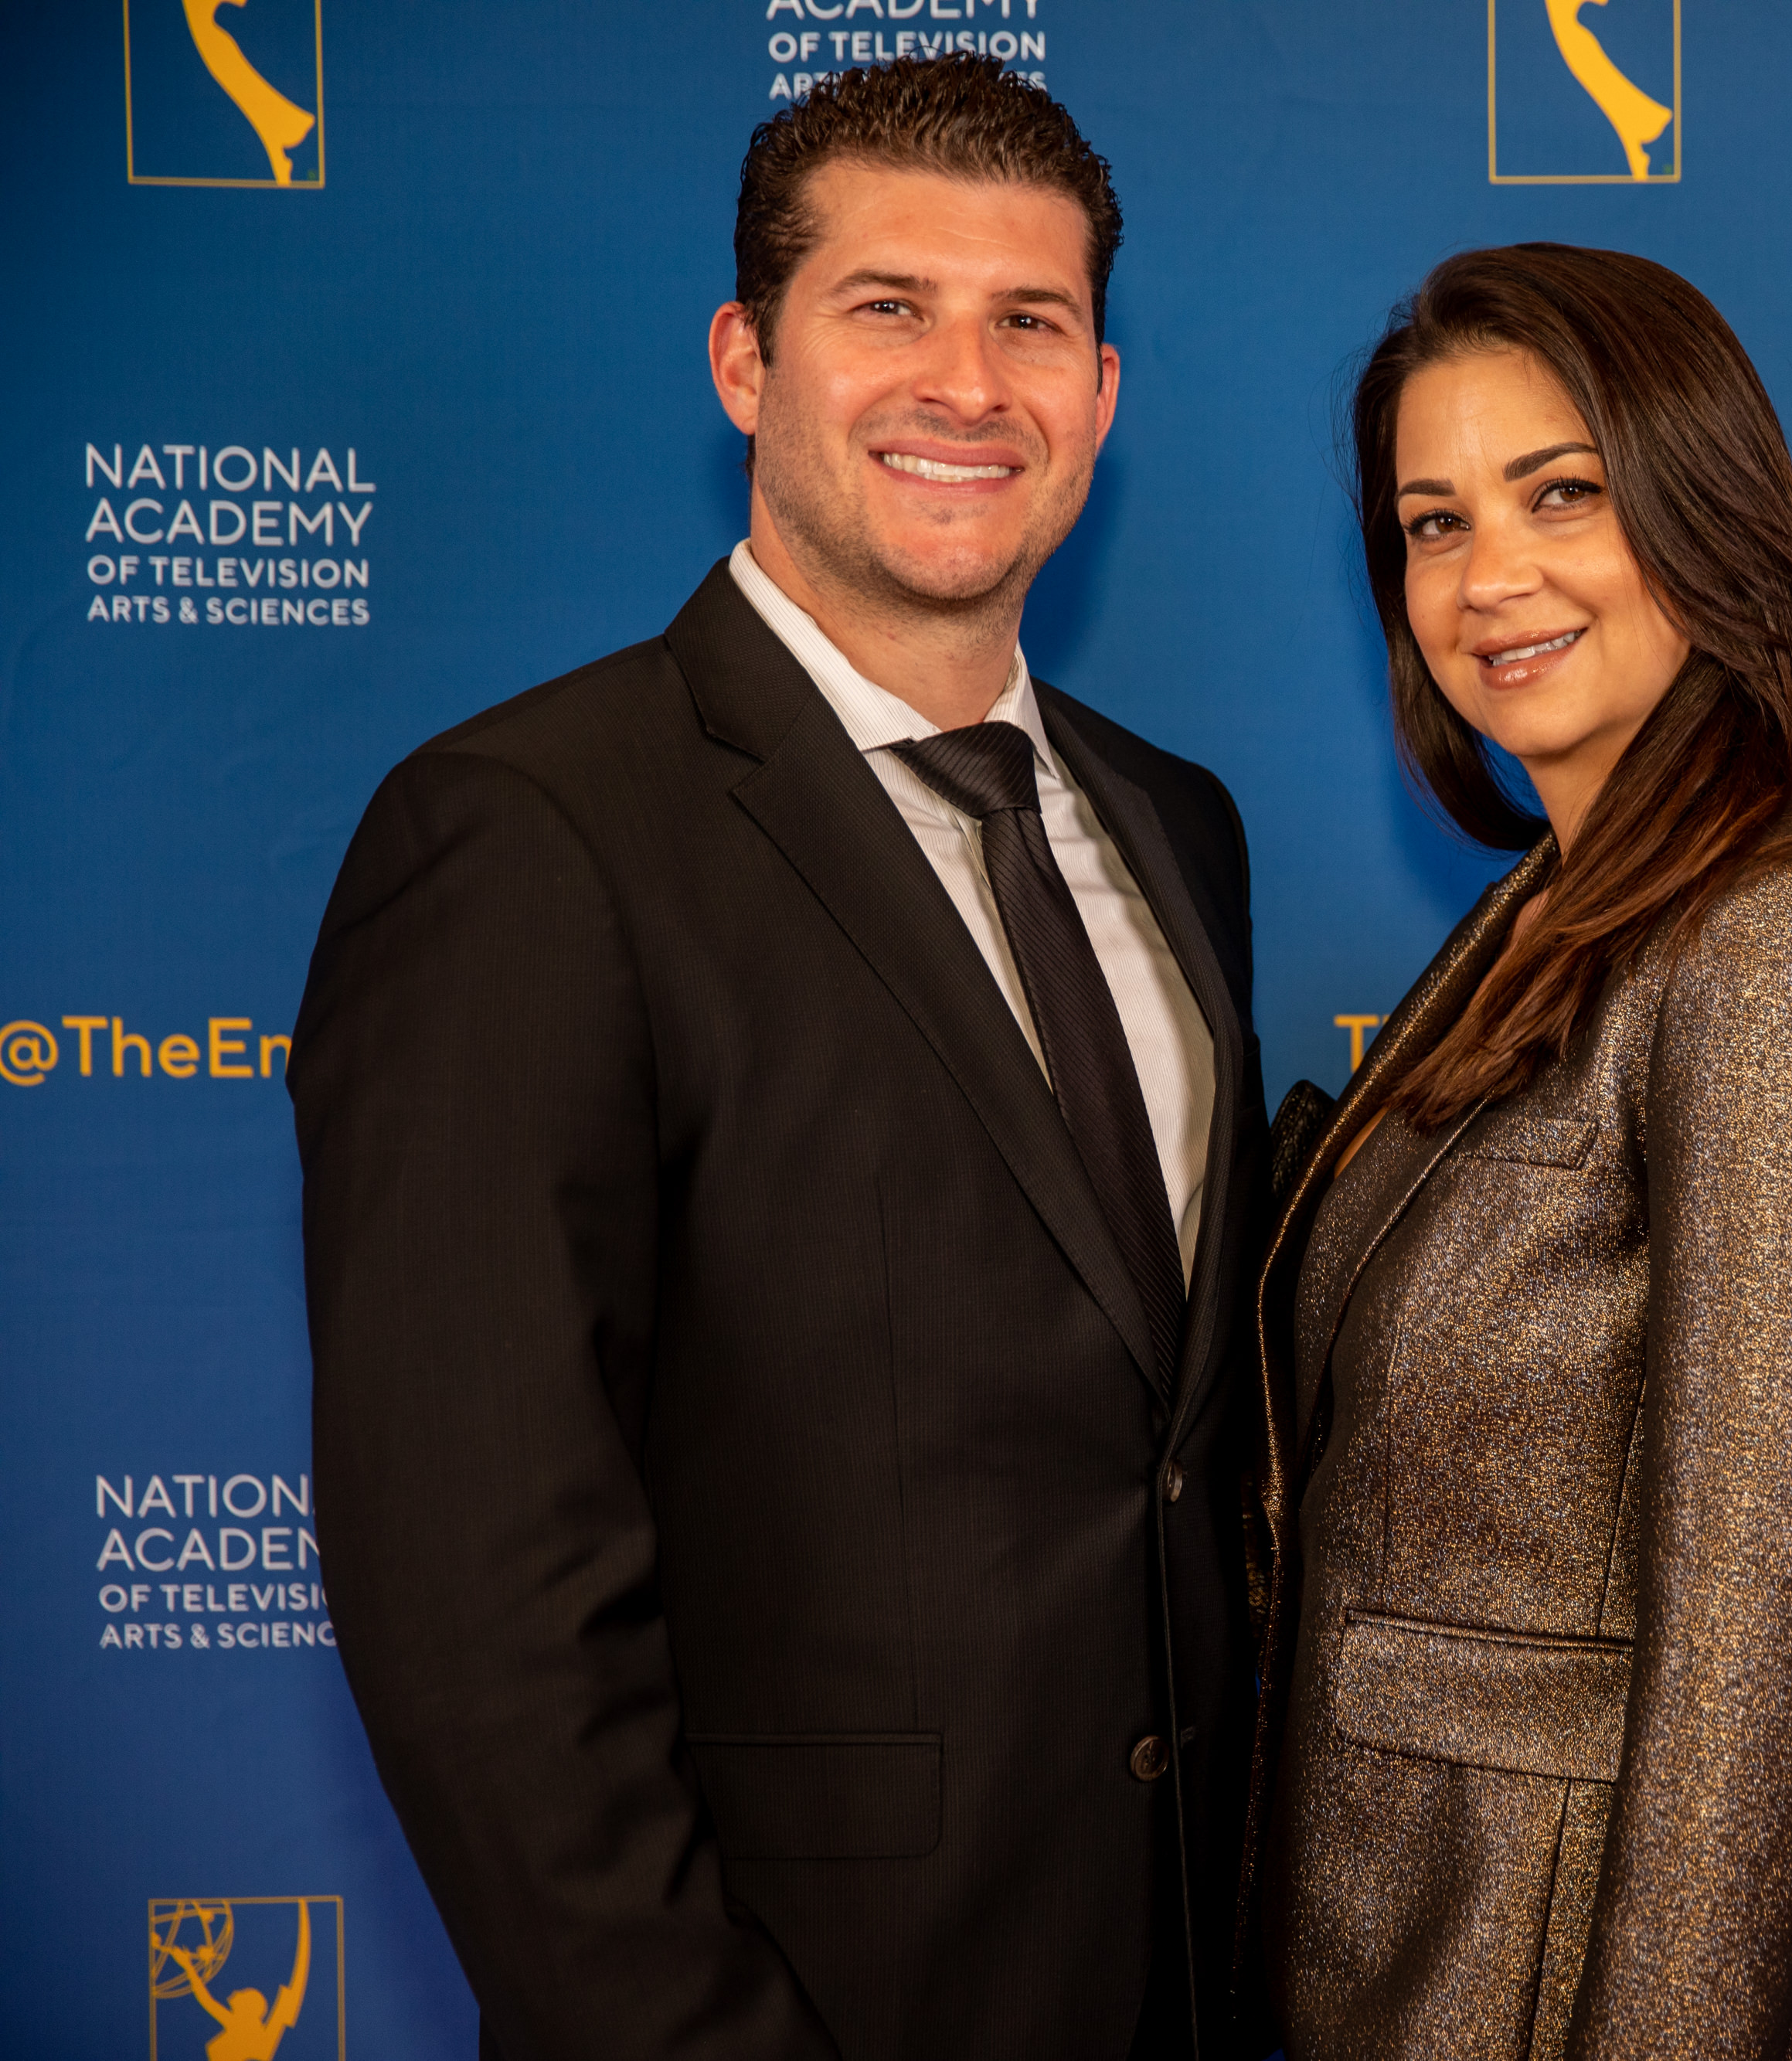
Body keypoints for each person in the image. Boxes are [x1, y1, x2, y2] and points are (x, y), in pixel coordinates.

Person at [292, 56, 1263, 2061]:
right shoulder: (528, 835)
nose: (966, 384)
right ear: (745, 362)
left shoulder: (1182, 827)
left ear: (1101, 396)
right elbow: (481, 1607)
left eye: (1030, 324)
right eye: (887, 307)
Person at [1245, 244, 1792, 2059]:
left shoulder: (1782, 943)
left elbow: (1754, 1652)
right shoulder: (1540, 921)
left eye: (1558, 493)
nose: (1487, 576)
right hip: (1422, 1966)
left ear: (1701, 508)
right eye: (1432, 521)